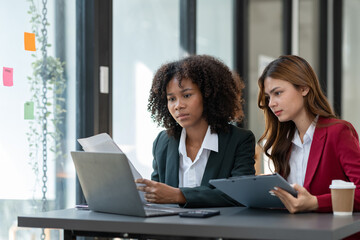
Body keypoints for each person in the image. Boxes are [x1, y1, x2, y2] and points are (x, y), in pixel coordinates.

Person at [136, 54, 256, 208]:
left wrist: (179, 195)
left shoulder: (239, 140)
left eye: (186, 95)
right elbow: (158, 195)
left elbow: (240, 194)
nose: (178, 105)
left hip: (219, 230)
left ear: (208, 95)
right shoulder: (162, 141)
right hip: (170, 229)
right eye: (171, 99)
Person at [257, 55, 360, 214]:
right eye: (268, 97)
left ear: (304, 88)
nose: (271, 103)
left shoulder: (338, 132)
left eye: (277, 93)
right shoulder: (284, 144)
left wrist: (316, 202)